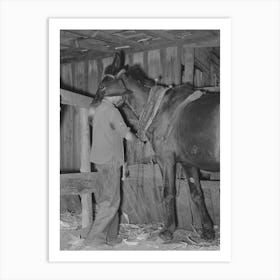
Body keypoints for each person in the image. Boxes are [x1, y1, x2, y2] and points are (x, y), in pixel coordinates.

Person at [86, 87, 137, 247]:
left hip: (99, 159)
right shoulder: (113, 111)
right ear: (114, 96)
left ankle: (111, 237)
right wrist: (139, 138)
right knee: (111, 201)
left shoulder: (96, 108)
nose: (122, 98)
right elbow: (127, 135)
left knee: (106, 198)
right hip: (110, 160)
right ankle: (94, 239)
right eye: (121, 95)